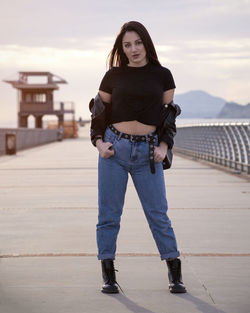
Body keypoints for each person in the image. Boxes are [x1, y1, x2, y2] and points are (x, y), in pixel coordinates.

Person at [89, 21, 186, 294]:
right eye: (127, 45)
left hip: (148, 154)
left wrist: (165, 146)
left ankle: (174, 272)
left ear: (147, 43)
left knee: (158, 214)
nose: (134, 49)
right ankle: (108, 275)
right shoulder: (113, 76)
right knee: (109, 215)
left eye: (138, 42)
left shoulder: (163, 76)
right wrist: (98, 143)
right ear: (122, 49)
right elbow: (98, 115)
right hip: (115, 151)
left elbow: (168, 119)